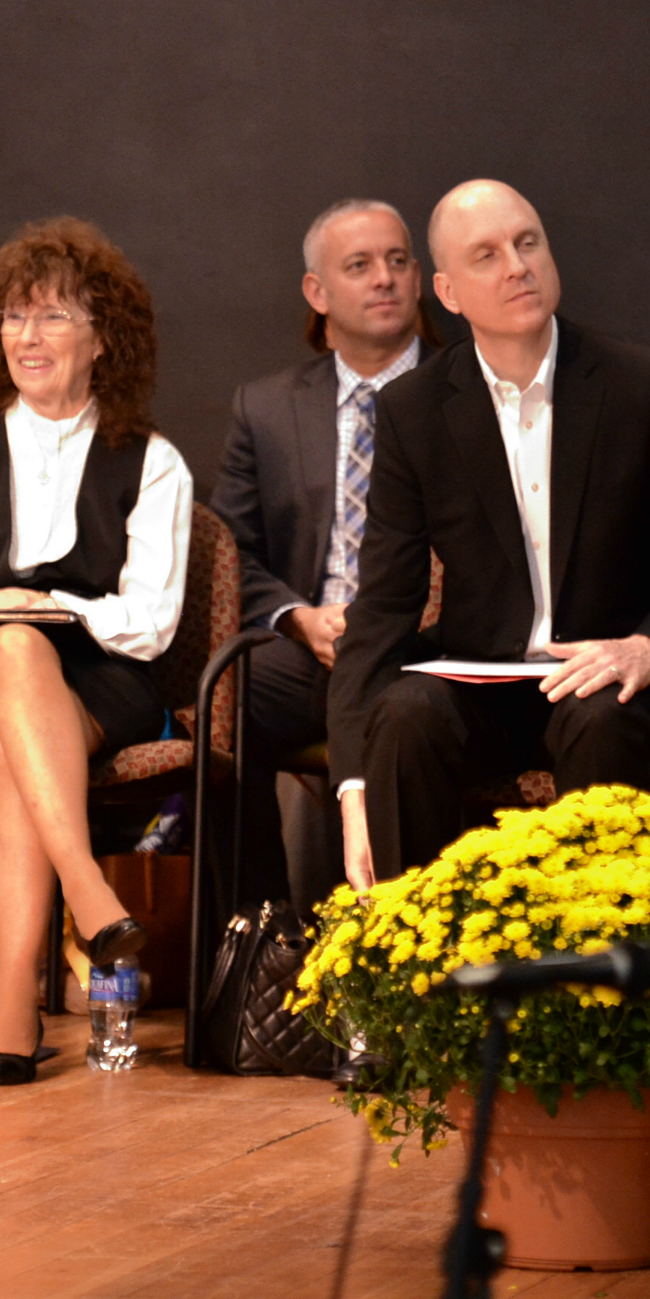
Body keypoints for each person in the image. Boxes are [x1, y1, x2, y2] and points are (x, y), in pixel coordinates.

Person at [325, 180, 650, 892]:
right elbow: (380, 611)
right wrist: (352, 790)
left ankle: (599, 979)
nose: (517, 266)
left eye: (528, 243)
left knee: (602, 720)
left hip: (608, 671)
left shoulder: (641, 384)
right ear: (448, 291)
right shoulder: (415, 410)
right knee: (403, 716)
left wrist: (646, 648)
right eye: (487, 254)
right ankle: (419, 976)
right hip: (486, 677)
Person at [0, 218, 189, 1085]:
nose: (27, 337)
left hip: (100, 682)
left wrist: (50, 605)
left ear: (103, 338)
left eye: (54, 317)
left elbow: (155, 618)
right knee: (14, 650)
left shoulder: (153, 461)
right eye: (14, 318)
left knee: (16, 724)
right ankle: (86, 891)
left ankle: (14, 997)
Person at [210, 198, 442, 917]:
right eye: (360, 265)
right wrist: (299, 618)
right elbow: (231, 550)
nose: (385, 279)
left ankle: (419, 947)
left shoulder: (468, 390)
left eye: (398, 261)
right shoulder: (268, 407)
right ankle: (263, 942)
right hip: (315, 646)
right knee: (226, 696)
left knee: (415, 711)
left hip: (425, 644)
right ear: (318, 292)